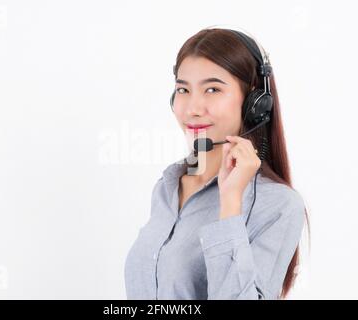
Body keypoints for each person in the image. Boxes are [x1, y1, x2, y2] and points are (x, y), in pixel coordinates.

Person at [124, 27, 309, 300]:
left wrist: (230, 202)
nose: (193, 108)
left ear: (255, 103)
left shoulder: (279, 205)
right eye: (183, 90)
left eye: (212, 89)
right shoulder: (167, 187)